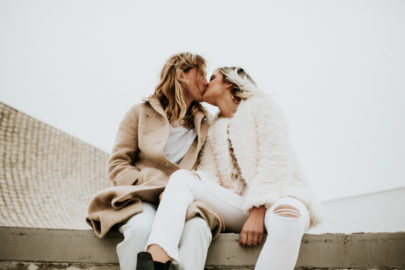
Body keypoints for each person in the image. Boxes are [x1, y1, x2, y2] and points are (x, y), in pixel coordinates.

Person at [137, 67, 324, 270]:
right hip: (238, 205)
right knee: (181, 178)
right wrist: (175, 191)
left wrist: (258, 209)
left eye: (212, 78)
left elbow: (276, 160)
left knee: (288, 219)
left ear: (229, 82)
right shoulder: (214, 126)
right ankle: (156, 262)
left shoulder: (261, 105)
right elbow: (208, 175)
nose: (206, 83)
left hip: (281, 196)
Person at [105, 52, 214, 270]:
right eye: (201, 74)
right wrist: (146, 186)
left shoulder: (206, 124)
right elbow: (117, 163)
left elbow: (208, 171)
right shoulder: (139, 113)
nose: (206, 81)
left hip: (184, 201)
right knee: (139, 230)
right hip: (143, 197)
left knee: (199, 230)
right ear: (181, 74)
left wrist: (179, 195)